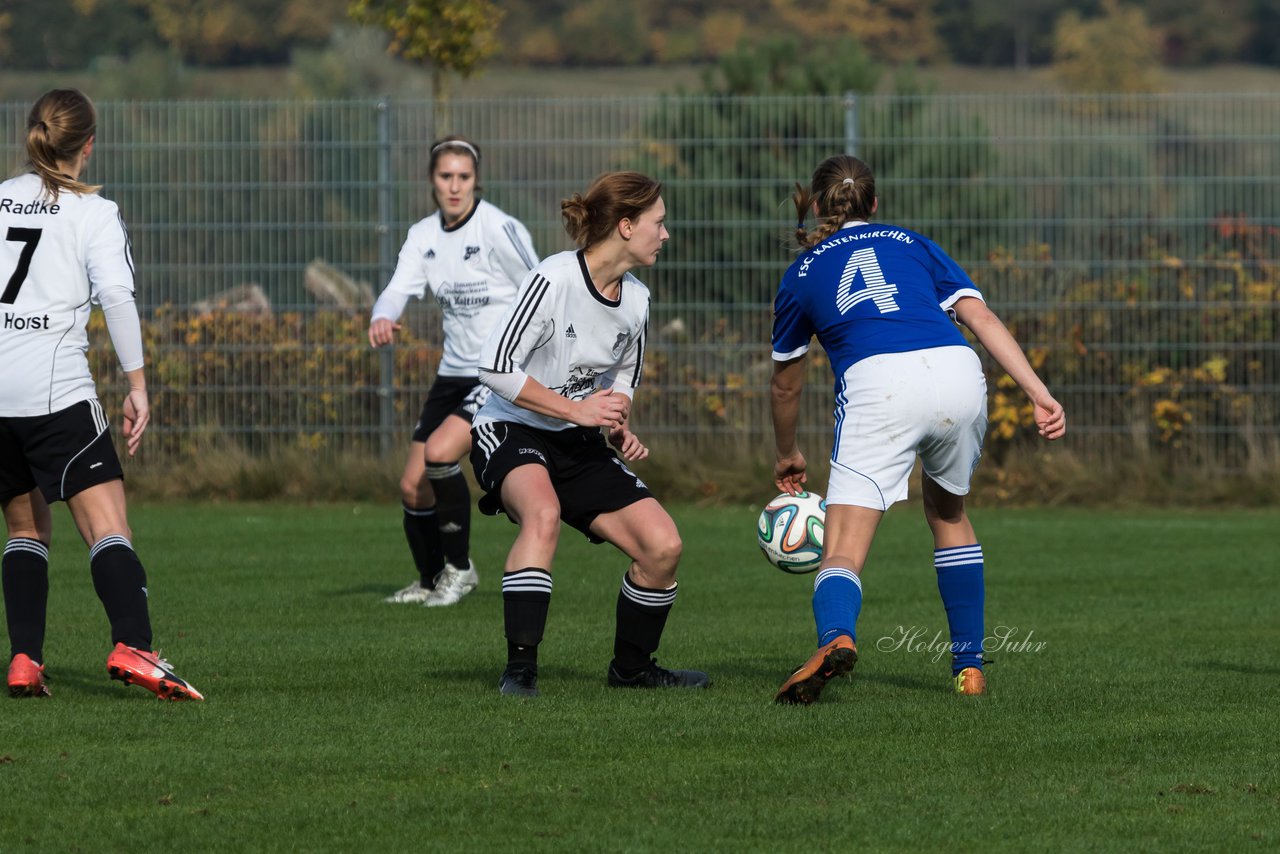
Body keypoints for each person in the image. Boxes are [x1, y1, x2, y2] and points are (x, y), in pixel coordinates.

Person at [769, 154, 1066, 705]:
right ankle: (969, 666)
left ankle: (836, 637)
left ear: (815, 208)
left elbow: (786, 385)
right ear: (874, 204)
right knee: (949, 513)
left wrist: (787, 453)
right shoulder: (912, 243)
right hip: (958, 370)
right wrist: (1038, 392)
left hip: (880, 384)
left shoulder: (802, 273)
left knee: (842, 550)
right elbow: (982, 317)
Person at [469, 171, 708, 697]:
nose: (665, 235)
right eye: (658, 223)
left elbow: (622, 377)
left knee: (663, 547)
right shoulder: (553, 279)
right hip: (510, 427)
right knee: (543, 513)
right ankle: (521, 671)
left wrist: (618, 421)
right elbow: (495, 367)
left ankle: (631, 670)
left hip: (576, 442)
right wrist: (576, 411)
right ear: (625, 226)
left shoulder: (638, 300)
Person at [1, 88, 203, 700]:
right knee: (108, 527)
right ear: (90, 144)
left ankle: (24, 661)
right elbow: (117, 298)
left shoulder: (1, 198)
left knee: (24, 530)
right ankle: (136, 644)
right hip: (56, 391)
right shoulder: (95, 211)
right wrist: (137, 384)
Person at [369, 135, 538, 607]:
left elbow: (543, 290)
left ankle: (460, 570)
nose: (455, 186)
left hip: (497, 373)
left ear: (476, 180)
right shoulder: (423, 236)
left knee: (441, 452)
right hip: (452, 374)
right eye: (446, 177)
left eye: (464, 177)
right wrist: (381, 316)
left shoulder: (499, 229)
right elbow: (396, 288)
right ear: (432, 181)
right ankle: (429, 579)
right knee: (411, 485)